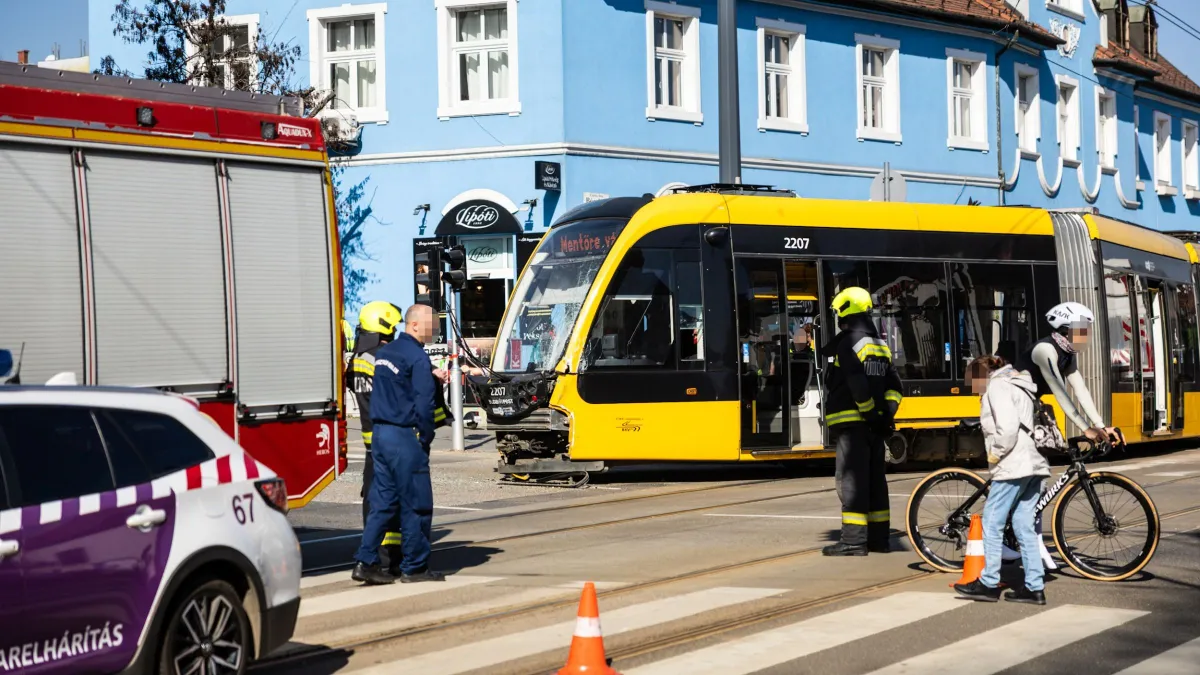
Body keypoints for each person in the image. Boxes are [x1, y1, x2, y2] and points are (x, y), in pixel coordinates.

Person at [353, 304, 446, 585]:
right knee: (417, 503)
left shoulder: (385, 354)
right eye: (431, 324)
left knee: (382, 503)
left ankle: (365, 562)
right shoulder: (416, 357)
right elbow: (423, 403)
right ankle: (414, 568)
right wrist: (425, 438)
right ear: (415, 324)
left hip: (380, 435)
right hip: (404, 437)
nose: (435, 330)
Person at [955, 355, 1050, 605]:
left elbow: (1007, 429)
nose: (972, 388)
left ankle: (988, 583)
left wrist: (994, 453)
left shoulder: (997, 386)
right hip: (1034, 464)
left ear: (980, 376)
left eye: (971, 381)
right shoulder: (1020, 384)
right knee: (1023, 525)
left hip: (1013, 465)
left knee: (992, 522)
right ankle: (1034, 587)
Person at [822, 287, 904, 556]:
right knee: (875, 482)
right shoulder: (879, 344)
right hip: (875, 428)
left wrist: (868, 414)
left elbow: (857, 386)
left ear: (846, 310)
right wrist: (884, 416)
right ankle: (879, 539)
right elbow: (895, 387)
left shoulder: (848, 343)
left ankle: (854, 541)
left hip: (854, 425)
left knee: (851, 482)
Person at [346, 301, 406, 570]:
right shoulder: (384, 357)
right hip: (390, 438)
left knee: (373, 500)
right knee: (393, 501)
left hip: (370, 441)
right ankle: (388, 559)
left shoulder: (357, 359)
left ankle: (377, 555)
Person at [1014, 302, 1120, 445]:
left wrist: (1101, 426)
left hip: (1027, 406)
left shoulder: (1068, 352)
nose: (1086, 335)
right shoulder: (1045, 350)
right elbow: (1060, 393)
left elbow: (1080, 390)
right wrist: (1086, 428)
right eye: (1082, 330)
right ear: (1066, 330)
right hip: (1011, 405)